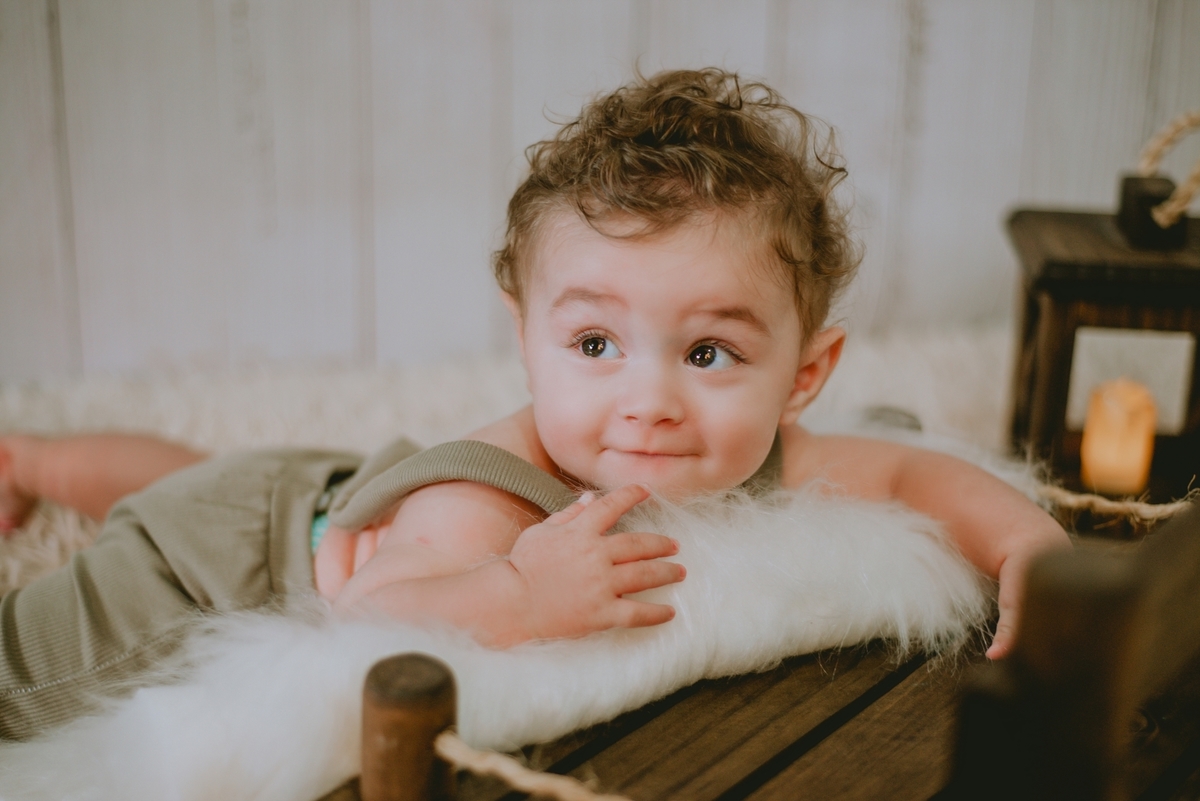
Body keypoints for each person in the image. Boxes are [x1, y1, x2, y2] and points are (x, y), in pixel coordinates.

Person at [0, 68, 1068, 739]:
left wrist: (1024, 542)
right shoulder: (486, 496)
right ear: (526, 336)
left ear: (804, 375)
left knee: (198, 471)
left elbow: (906, 476)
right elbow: (374, 611)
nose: (647, 403)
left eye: (707, 351)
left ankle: (37, 463)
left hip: (311, 486)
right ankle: (46, 475)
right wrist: (515, 591)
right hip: (223, 566)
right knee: (41, 672)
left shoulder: (763, 450)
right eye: (595, 343)